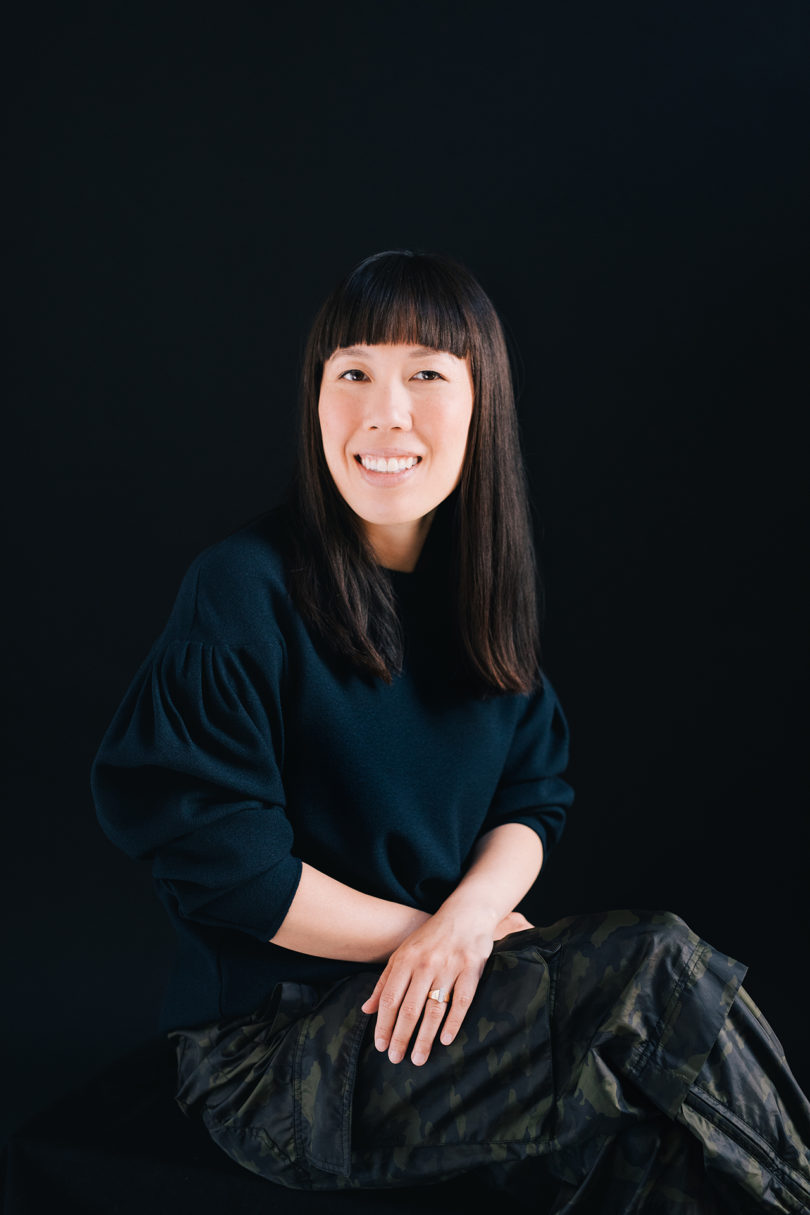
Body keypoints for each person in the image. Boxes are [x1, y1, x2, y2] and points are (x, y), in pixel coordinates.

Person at [92, 250, 810, 1212]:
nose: (386, 411)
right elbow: (233, 868)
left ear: (482, 404)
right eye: (353, 373)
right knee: (655, 970)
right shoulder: (240, 589)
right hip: (271, 1059)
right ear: (317, 402)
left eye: (426, 374)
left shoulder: (476, 593)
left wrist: (467, 925)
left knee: (658, 1122)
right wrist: (446, 939)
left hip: (433, 1005)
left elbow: (532, 792)